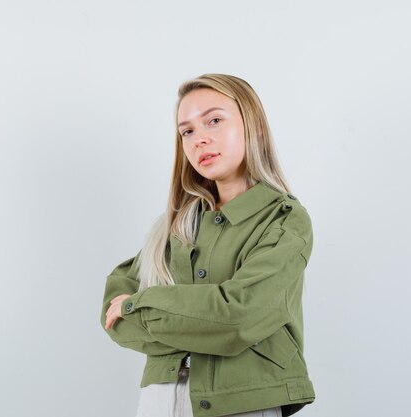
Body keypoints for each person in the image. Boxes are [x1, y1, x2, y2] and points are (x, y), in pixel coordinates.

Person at [100, 73, 315, 417]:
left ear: (254, 127)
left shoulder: (284, 220)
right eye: (187, 131)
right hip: (159, 400)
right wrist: (195, 320)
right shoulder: (178, 224)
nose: (199, 139)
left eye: (214, 121)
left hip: (245, 401)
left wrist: (141, 306)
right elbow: (114, 311)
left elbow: (237, 317)